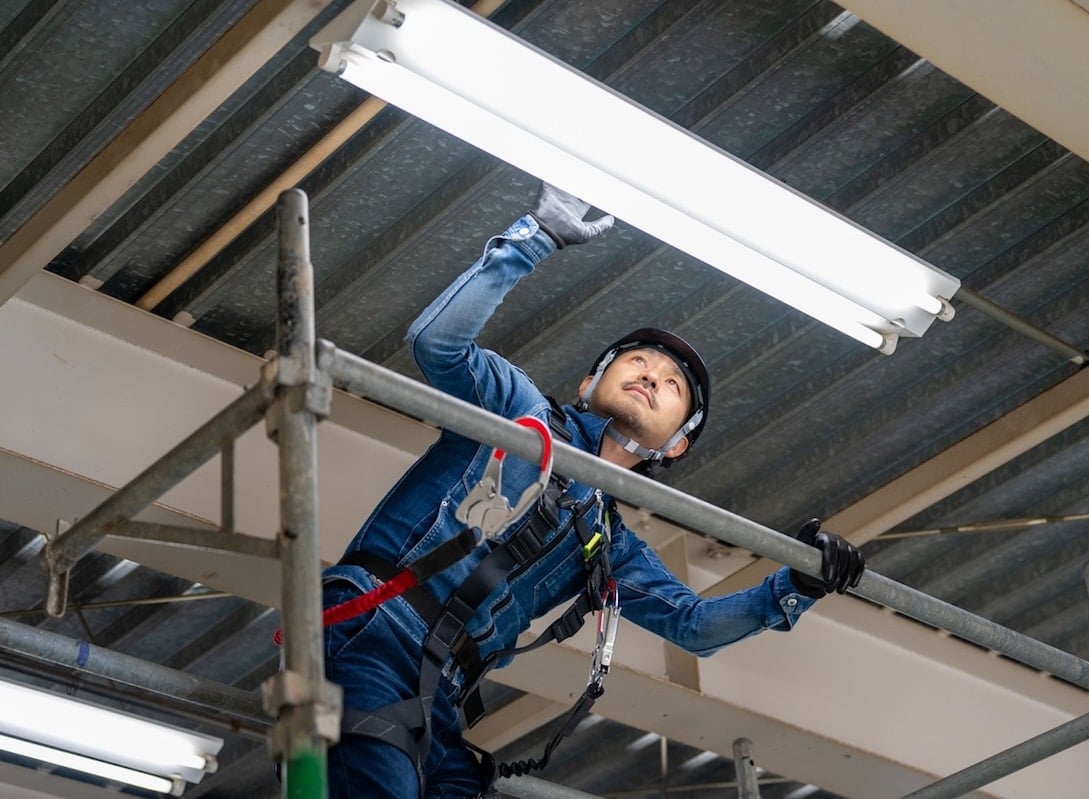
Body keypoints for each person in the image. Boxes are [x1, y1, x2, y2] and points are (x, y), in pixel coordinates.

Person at [320, 184, 866, 798]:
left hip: (440, 692)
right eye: (635, 363)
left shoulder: (607, 546)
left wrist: (797, 584)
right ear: (589, 381)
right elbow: (436, 343)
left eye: (672, 386)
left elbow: (694, 627)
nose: (650, 377)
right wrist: (536, 238)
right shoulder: (516, 411)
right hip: (371, 631)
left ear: (676, 446)